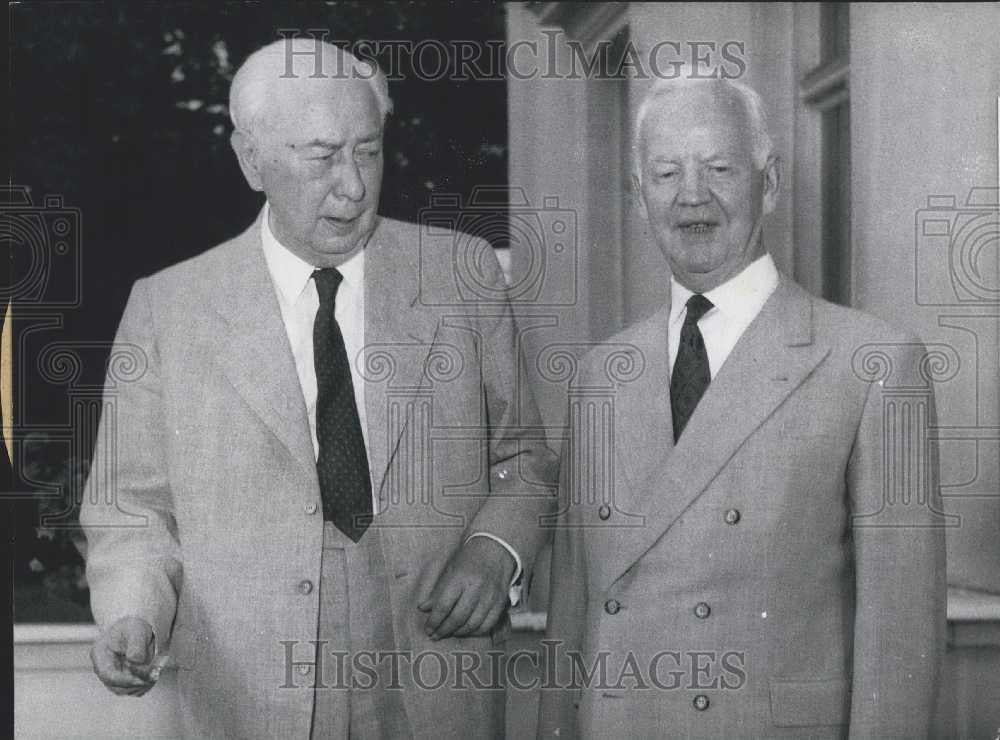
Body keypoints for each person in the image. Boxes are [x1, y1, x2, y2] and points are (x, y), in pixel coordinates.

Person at [82, 38, 557, 739]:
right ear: (253, 160)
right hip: (250, 699)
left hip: (440, 684)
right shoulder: (167, 309)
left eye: (368, 151)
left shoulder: (463, 274)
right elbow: (130, 510)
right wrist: (133, 612)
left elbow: (525, 462)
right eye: (322, 157)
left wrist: (494, 553)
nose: (354, 186)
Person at [537, 76, 946, 739]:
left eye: (720, 168)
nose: (691, 195)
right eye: (666, 172)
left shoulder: (870, 363)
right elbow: (572, 619)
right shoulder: (600, 376)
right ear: (639, 196)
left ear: (770, 183)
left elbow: (899, 641)